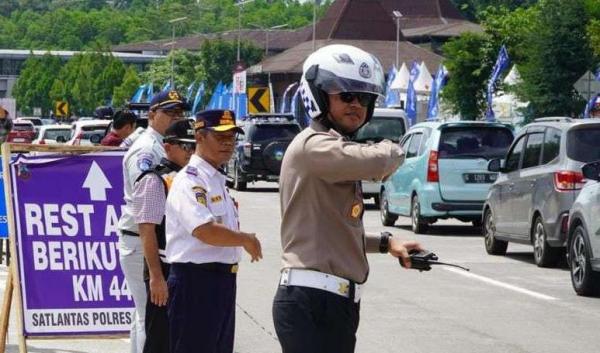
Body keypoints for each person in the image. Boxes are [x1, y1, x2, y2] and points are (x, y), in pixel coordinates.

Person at [272, 44, 424, 353]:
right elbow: (381, 161)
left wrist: (386, 242)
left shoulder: (331, 149)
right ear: (317, 93)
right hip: (312, 301)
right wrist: (397, 147)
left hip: (332, 301)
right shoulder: (313, 146)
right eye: (346, 95)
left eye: (365, 98)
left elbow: (335, 230)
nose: (356, 105)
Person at [165, 109, 263, 353]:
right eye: (220, 137)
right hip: (195, 282)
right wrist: (245, 239)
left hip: (220, 281)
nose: (228, 143)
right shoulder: (190, 180)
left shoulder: (215, 178)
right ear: (199, 137)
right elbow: (204, 230)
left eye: (232, 137)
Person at [118, 89, 188, 353]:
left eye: (179, 112)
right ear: (151, 115)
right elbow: (145, 204)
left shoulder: (165, 142)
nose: (175, 117)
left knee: (147, 315)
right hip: (141, 238)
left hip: (152, 239)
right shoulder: (147, 149)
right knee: (147, 315)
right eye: (169, 112)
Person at [132, 119, 196, 353]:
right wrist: (156, 278)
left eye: (195, 146)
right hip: (166, 269)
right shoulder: (155, 180)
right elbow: (147, 231)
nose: (192, 152)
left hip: (191, 269)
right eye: (186, 146)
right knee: (162, 339)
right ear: (168, 147)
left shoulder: (194, 178)